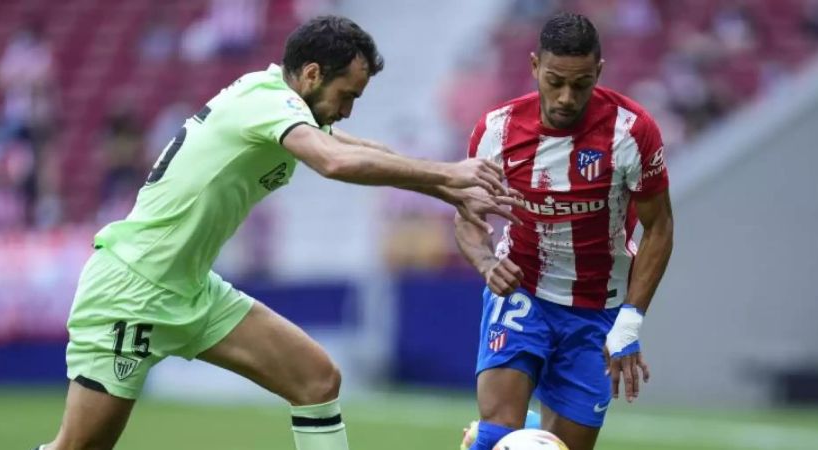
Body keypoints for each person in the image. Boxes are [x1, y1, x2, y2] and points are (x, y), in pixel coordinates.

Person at [35, 15, 517, 450]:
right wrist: (451, 174)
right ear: (311, 75)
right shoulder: (268, 102)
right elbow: (334, 161)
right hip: (132, 288)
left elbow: (365, 148)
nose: (347, 110)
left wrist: (449, 190)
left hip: (192, 292)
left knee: (316, 379)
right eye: (346, 95)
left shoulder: (284, 104)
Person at [455, 12, 674, 450]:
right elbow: (467, 215)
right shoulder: (496, 130)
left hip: (596, 308)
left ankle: (523, 432)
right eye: (555, 81)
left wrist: (630, 322)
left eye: (581, 83)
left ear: (600, 72)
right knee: (499, 432)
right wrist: (484, 262)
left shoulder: (632, 132)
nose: (566, 97)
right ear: (535, 65)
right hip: (522, 290)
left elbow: (660, 227)